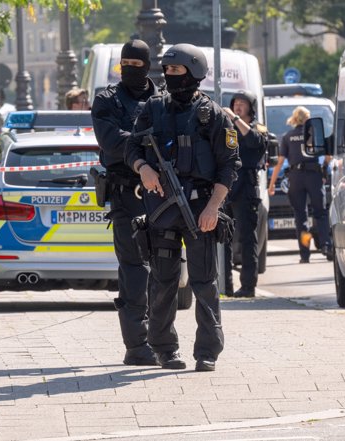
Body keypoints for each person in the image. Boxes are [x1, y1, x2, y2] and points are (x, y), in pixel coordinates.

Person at [125, 43, 239, 371]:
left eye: (176, 71)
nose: (169, 76)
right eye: (168, 70)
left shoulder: (214, 115)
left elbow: (230, 164)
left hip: (200, 208)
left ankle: (207, 351)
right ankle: (164, 348)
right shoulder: (153, 108)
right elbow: (133, 146)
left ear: (194, 72)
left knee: (204, 281)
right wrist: (143, 169)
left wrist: (213, 208)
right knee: (163, 281)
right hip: (162, 207)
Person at [91, 39, 161, 367]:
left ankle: (162, 339)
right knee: (134, 271)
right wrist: (148, 146)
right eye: (125, 64)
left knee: (165, 269)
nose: (130, 69)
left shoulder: (162, 99)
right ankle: (137, 345)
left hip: (161, 193)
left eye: (137, 64)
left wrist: (140, 144)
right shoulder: (107, 99)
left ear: (148, 66)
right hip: (126, 194)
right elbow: (110, 141)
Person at [268, 106, 332, 263]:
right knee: (320, 213)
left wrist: (271, 184)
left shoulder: (288, 136)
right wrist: (323, 171)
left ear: (294, 119)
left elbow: (280, 162)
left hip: (295, 178)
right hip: (314, 177)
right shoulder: (314, 133)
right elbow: (328, 156)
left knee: (301, 217)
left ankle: (305, 254)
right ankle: (326, 246)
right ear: (308, 118)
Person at [222, 90, 268, 298]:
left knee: (247, 239)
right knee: (223, 239)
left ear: (250, 107)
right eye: (235, 103)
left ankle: (248, 286)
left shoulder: (256, 128)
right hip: (226, 186)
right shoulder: (228, 127)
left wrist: (235, 118)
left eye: (242, 103)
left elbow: (255, 142)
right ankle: (225, 285)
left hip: (246, 189)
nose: (238, 106)